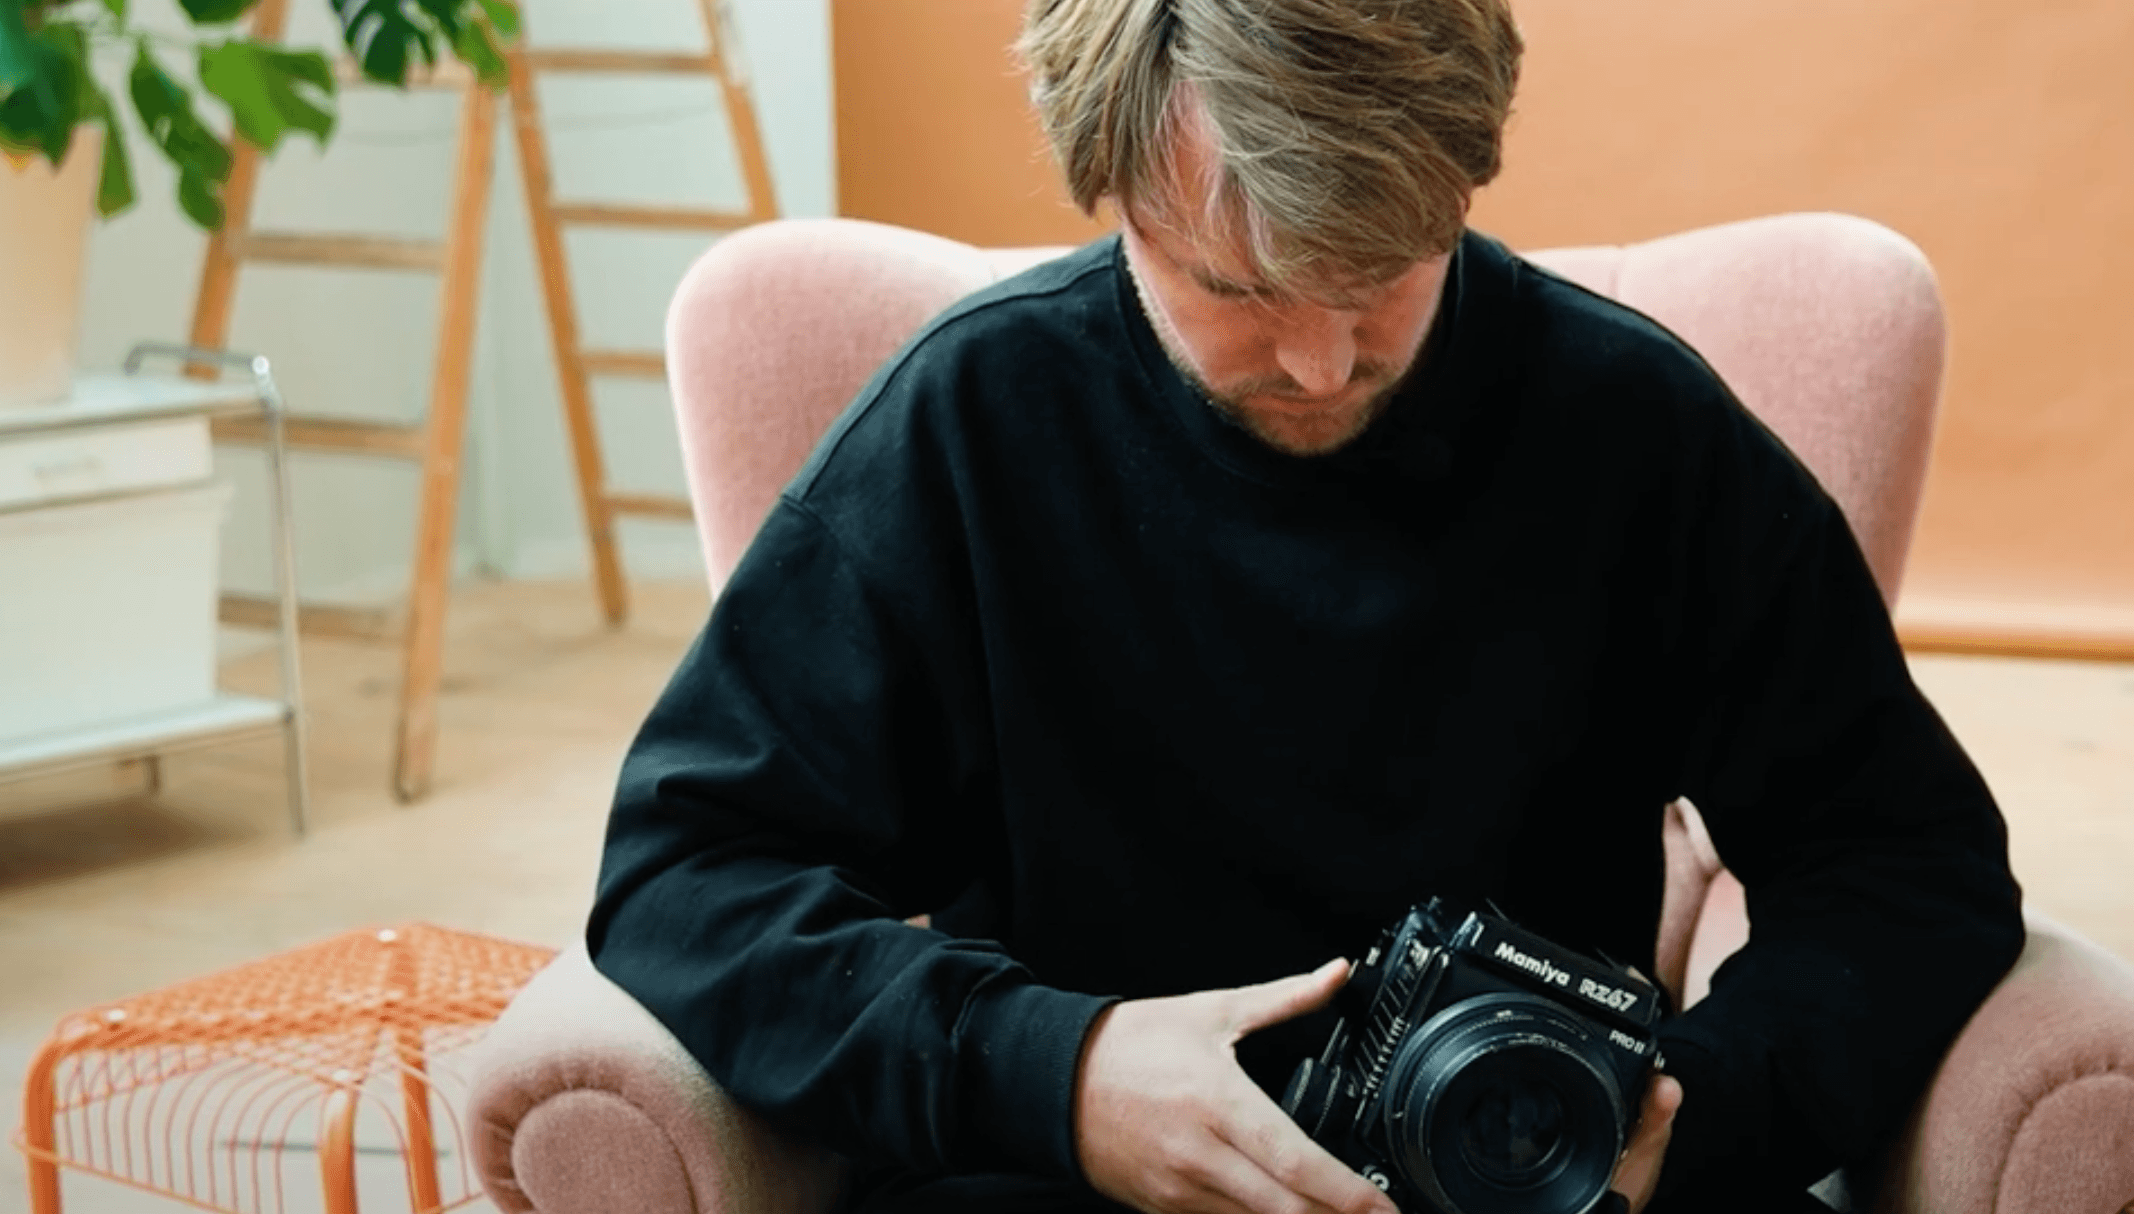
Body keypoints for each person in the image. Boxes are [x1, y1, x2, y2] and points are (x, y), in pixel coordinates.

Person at [583, 0, 2026, 1211]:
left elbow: (1906, 860)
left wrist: (1683, 1116)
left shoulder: (1631, 426)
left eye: (1382, 276)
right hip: (1062, 1185)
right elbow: (686, 876)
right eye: (1238, 287)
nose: (1325, 364)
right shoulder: (971, 425)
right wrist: (1058, 1068)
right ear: (1114, 196)